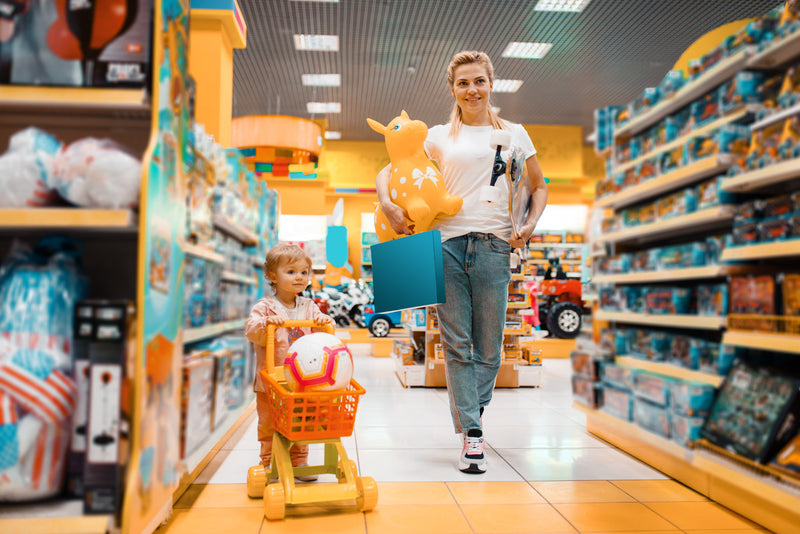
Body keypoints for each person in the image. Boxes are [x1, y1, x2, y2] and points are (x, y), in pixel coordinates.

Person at [376, 50, 548, 474]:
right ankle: (472, 434)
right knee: (457, 344)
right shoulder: (436, 136)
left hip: (495, 244)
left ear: (491, 84)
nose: (472, 90)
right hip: (445, 244)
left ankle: (473, 413)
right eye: (463, 83)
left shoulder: (515, 134)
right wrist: (387, 203)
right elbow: (390, 169)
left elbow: (539, 186)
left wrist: (528, 224)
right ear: (453, 89)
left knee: (489, 348)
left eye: (479, 81)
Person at [245, 243, 334, 480]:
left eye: (304, 272)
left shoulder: (308, 306)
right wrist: (265, 323)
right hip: (270, 380)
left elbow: (321, 327)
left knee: (301, 420)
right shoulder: (264, 307)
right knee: (269, 423)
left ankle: (299, 461)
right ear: (273, 276)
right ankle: (268, 462)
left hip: (302, 378)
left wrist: (324, 320)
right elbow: (252, 331)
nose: (299, 277)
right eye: (291, 272)